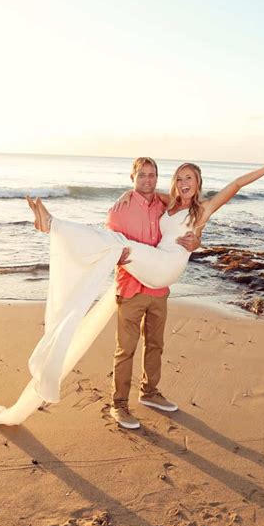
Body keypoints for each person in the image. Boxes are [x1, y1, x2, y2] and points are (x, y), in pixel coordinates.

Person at [0, 149, 264, 426]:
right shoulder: (164, 203)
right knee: (116, 246)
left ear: (199, 184)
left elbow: (235, 184)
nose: (184, 183)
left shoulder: (201, 210)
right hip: (143, 277)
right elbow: (140, 193)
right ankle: (53, 226)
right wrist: (128, 194)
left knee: (120, 250)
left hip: (165, 270)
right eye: (180, 177)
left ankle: (54, 226)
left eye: (190, 178)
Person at [105, 157, 200, 430]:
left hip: (158, 288)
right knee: (126, 349)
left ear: (158, 178)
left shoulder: (164, 205)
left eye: (152, 175)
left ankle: (149, 392)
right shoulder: (119, 210)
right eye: (142, 175)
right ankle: (119, 404)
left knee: (155, 344)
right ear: (132, 178)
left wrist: (196, 241)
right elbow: (110, 245)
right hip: (131, 287)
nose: (147, 180)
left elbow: (186, 223)